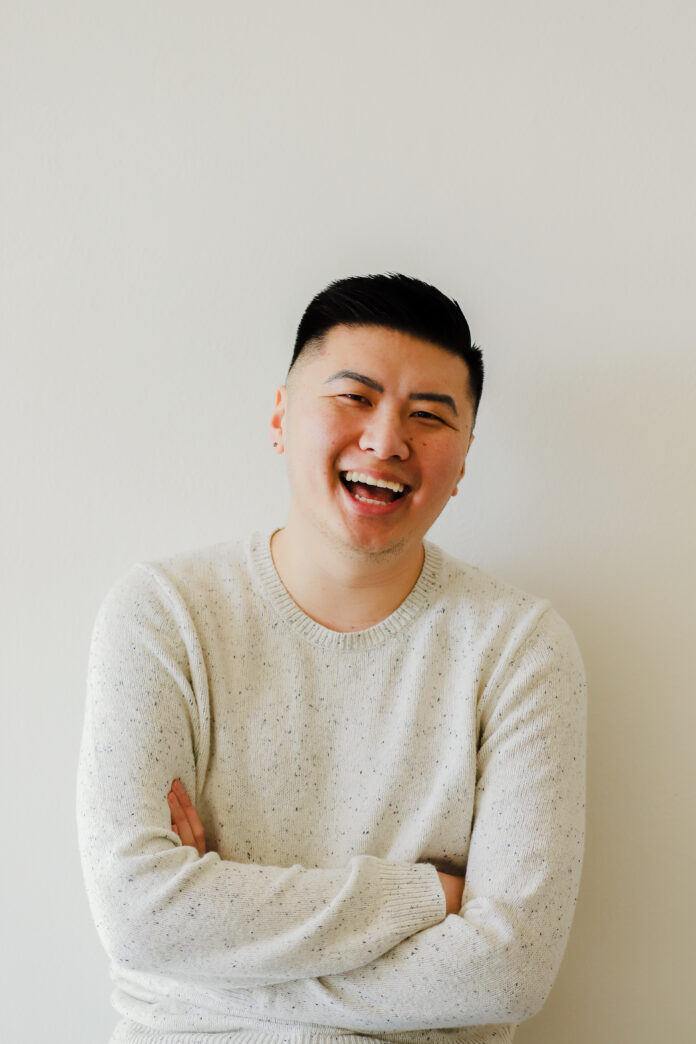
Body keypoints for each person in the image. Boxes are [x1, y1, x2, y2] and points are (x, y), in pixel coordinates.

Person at [76, 272, 586, 1044]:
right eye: (354, 397)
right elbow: (139, 918)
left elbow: (509, 972)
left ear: (467, 455)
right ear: (281, 415)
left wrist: (211, 972)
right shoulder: (162, 614)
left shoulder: (520, 649)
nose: (386, 441)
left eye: (429, 415)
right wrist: (428, 900)